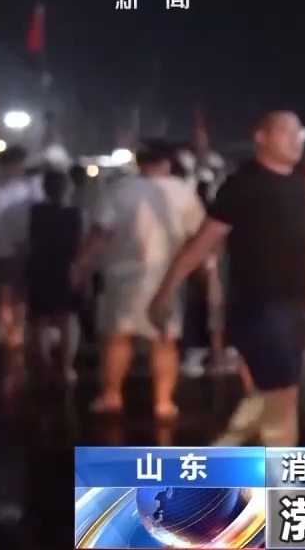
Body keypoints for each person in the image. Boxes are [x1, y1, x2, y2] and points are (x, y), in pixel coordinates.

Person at [149, 111, 305, 446]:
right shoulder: (242, 185)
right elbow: (202, 243)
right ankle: (252, 462)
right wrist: (166, 289)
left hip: (295, 304)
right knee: (279, 391)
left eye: (299, 133)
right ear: (261, 137)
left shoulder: (298, 186)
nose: (296, 140)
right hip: (260, 306)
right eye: (286, 132)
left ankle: (244, 460)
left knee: (280, 393)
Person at [72, 140, 205, 419]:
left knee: (117, 337)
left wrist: (81, 264)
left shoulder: (119, 190)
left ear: (139, 162)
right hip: (168, 276)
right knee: (164, 340)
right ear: (168, 162)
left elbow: (100, 232)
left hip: (122, 275)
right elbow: (198, 238)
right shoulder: (183, 192)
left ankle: (111, 395)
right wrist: (204, 274)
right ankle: (163, 402)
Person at [21, 169, 84, 379]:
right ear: (67, 188)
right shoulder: (76, 213)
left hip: (40, 267)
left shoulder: (34, 212)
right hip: (67, 267)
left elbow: (26, 243)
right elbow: (82, 243)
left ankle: (45, 364)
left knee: (40, 318)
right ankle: (66, 367)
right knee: (67, 318)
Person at [0, 145, 40, 350]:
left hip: (23, 249)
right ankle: (7, 333)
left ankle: (14, 333)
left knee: (17, 294)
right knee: (4, 293)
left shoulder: (31, 188)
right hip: (1, 249)